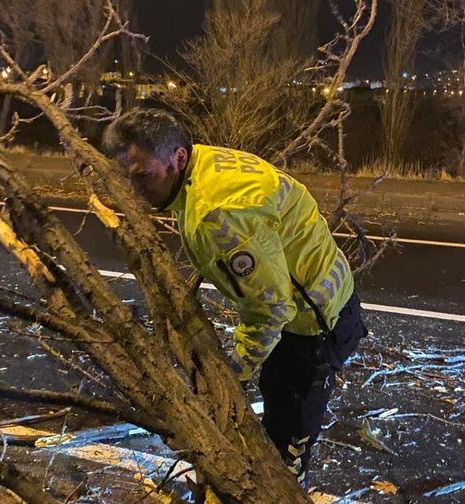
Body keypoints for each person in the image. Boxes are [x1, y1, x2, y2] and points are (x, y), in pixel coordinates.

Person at [103, 108, 367, 489]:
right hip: (324, 298)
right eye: (124, 178)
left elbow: (272, 307)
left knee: (286, 443)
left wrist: (232, 371)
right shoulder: (206, 161)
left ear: (178, 158)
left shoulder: (216, 212)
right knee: (276, 401)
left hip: (314, 329)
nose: (133, 190)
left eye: (144, 176)